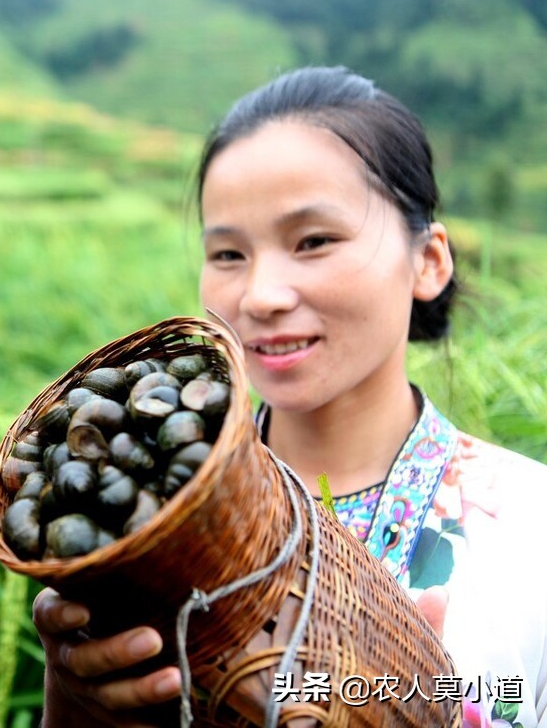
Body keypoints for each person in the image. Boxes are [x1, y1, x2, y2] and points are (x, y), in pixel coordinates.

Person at [34, 66, 547, 727]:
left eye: (313, 241)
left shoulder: (531, 529)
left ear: (428, 261)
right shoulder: (153, 527)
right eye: (228, 254)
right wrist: (72, 703)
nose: (261, 296)